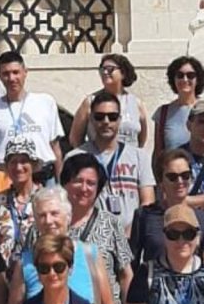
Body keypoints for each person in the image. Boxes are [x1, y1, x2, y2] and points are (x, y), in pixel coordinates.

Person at [4, 186, 117, 304]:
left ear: (68, 216)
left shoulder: (90, 255)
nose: (49, 221)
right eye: (42, 215)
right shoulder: (25, 263)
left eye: (54, 213)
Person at [66, 91, 155, 234]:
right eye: (99, 117)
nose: (106, 121)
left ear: (119, 120)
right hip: (90, 237)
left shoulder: (139, 157)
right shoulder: (75, 158)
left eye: (112, 117)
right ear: (91, 119)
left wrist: (131, 231)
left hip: (131, 237)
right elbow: (68, 202)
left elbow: (148, 201)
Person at [61, 153, 133, 304]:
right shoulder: (49, 223)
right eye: (78, 181)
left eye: (91, 183)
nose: (84, 188)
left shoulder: (110, 223)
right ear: (65, 183)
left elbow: (125, 275)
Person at [0, 51, 64, 181]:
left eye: (16, 72)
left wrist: (61, 184)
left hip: (43, 177)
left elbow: (55, 147)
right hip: (4, 178)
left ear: (25, 72)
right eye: (6, 74)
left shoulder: (46, 102)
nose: (11, 78)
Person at [130, 149, 204, 266]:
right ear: (161, 182)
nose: (180, 181)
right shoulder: (144, 215)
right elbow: (132, 262)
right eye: (172, 177)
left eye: (185, 175)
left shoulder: (202, 218)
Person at [68, 54, 149, 148]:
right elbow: (75, 139)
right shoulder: (90, 102)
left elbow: (142, 140)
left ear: (123, 73)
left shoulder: (136, 103)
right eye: (102, 69)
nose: (105, 72)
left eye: (110, 69)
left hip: (129, 156)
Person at [0, 137, 43, 270]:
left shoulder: (46, 199)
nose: (18, 167)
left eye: (24, 161)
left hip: (36, 272)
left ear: (33, 164)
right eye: (13, 162)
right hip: (2, 273)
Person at [151, 56, 204, 167]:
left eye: (190, 75)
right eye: (180, 75)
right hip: (174, 174)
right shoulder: (163, 113)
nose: (185, 79)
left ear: (198, 79)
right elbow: (158, 152)